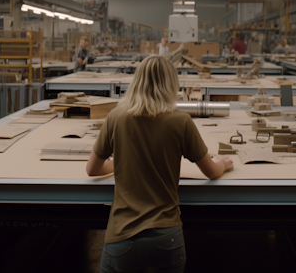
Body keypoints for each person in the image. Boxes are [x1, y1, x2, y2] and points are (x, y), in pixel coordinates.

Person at [86, 56, 233, 273]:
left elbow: (92, 169)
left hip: (122, 235)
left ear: (137, 82)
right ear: (171, 84)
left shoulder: (116, 117)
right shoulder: (181, 121)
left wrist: (119, 163)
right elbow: (211, 172)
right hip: (167, 236)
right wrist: (222, 163)